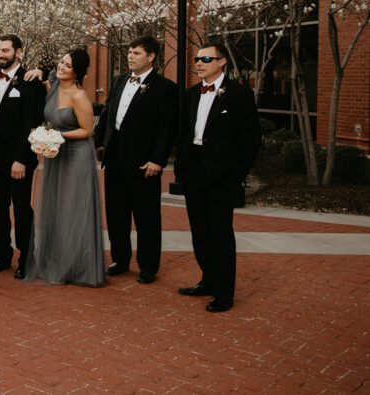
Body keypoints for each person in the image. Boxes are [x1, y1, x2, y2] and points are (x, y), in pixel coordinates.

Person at [176, 40, 261, 313]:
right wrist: (182, 166)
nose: (199, 63)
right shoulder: (190, 94)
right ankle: (208, 281)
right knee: (199, 231)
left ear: (222, 62)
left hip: (222, 175)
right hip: (194, 172)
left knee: (220, 233)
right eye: (198, 59)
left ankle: (224, 292)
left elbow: (251, 139)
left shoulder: (238, 94)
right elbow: (185, 133)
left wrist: (235, 174)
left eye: (206, 59)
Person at [95, 36, 178, 284]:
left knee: (146, 216)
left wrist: (158, 160)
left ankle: (148, 266)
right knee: (116, 214)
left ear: (151, 56)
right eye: (129, 52)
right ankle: (120, 259)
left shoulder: (165, 88)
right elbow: (107, 113)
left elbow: (167, 128)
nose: (130, 56)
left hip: (144, 163)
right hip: (115, 158)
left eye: (136, 53)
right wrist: (100, 142)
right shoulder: (119, 80)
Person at [24, 49, 105, 287]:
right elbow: (42, 79)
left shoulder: (79, 96)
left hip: (77, 156)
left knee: (74, 208)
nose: (61, 67)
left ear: (77, 71)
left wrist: (55, 136)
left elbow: (87, 131)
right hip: (56, 156)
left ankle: (79, 266)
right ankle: (55, 260)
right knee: (56, 206)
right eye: (61, 62)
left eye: (68, 66)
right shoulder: (53, 87)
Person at [0, 34, 45, 278]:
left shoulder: (30, 81)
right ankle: (2, 256)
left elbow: (32, 123)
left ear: (19, 52)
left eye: (5, 50)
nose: (0, 54)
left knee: (21, 210)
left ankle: (26, 259)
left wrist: (21, 158)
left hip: (18, 160)